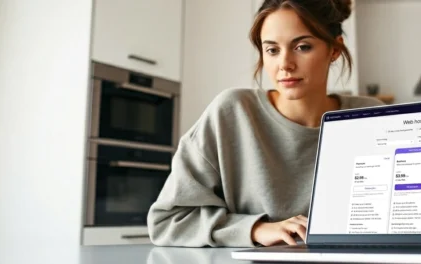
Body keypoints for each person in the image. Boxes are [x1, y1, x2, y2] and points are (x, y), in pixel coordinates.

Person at [147, 0, 384, 248]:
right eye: (272, 50)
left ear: (334, 50)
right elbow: (168, 220)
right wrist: (256, 230)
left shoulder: (371, 116)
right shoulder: (232, 112)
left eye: (302, 47)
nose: (285, 64)